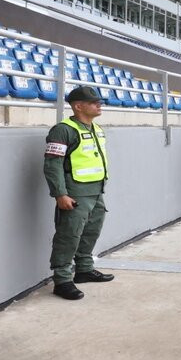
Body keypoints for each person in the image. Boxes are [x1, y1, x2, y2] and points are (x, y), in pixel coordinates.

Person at [43, 86, 114, 301]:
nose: (98, 105)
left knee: (91, 231)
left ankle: (84, 269)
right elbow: (52, 165)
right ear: (78, 106)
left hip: (96, 191)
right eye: (93, 102)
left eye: (99, 102)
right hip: (75, 193)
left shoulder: (96, 128)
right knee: (69, 234)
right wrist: (60, 194)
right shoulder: (63, 129)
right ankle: (62, 280)